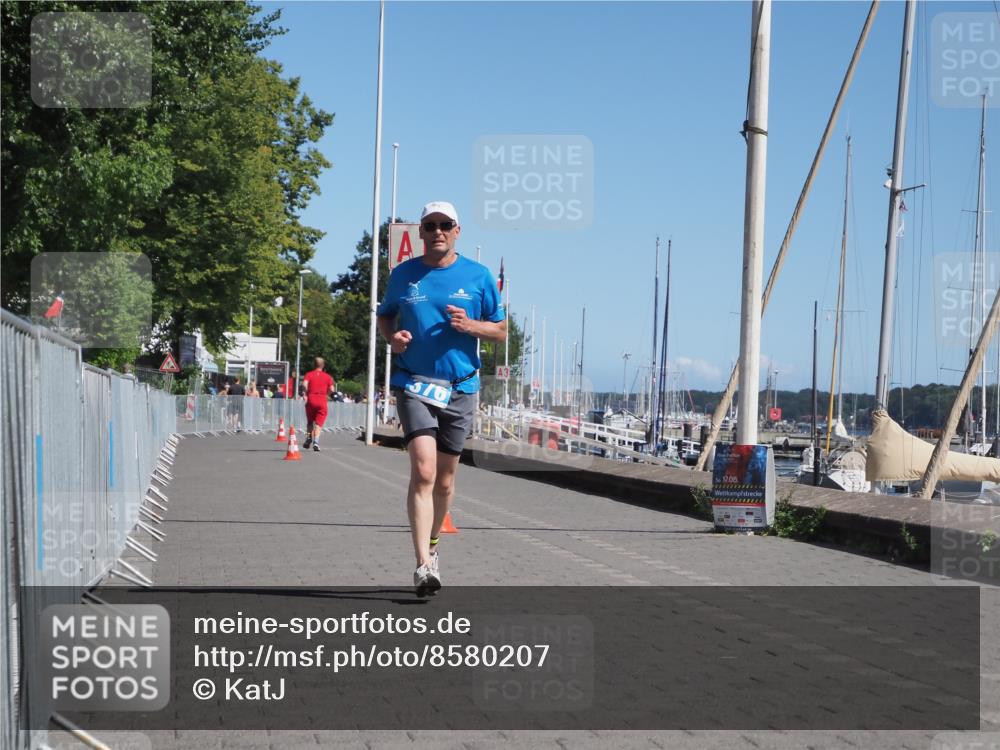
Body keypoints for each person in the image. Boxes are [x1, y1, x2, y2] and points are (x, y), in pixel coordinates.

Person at [376, 201, 506, 595]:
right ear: (420, 232)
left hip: (461, 388)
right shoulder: (405, 275)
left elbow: (500, 331)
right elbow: (385, 315)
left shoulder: (479, 276)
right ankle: (422, 566)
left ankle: (433, 545)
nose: (437, 231)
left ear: (457, 230)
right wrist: (391, 338)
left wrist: (471, 326)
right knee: (425, 472)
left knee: (445, 483)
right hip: (414, 383)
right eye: (430, 225)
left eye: (444, 225)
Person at [302, 357, 335, 451]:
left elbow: (304, 384)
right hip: (322, 400)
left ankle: (308, 438)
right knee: (318, 424)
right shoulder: (328, 377)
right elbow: (332, 389)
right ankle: (316, 442)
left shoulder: (309, 374)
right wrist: (327, 394)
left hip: (311, 399)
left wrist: (305, 392)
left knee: (309, 423)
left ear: (314, 365)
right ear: (323, 365)